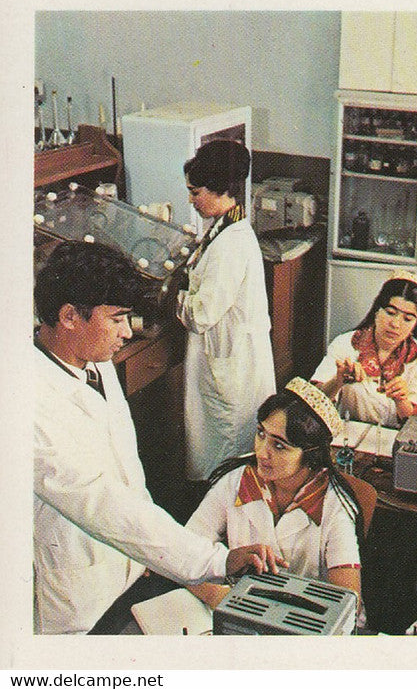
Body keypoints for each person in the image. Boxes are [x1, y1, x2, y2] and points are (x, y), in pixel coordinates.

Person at [33, 242, 282, 634]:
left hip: (130, 572)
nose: (127, 332)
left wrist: (168, 563)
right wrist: (212, 561)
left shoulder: (94, 361)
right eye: (116, 319)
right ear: (69, 317)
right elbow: (99, 500)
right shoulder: (27, 404)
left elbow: (127, 474)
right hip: (79, 596)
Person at [186, 379, 364, 619]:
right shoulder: (235, 481)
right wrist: (220, 597)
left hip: (305, 624)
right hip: (236, 611)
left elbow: (348, 604)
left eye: (279, 446)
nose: (261, 452)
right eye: (261, 434)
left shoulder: (335, 506)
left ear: (310, 456)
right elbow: (184, 553)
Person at [177, 140, 276, 485]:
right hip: (231, 357)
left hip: (230, 364)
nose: (191, 199)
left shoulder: (231, 242)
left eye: (195, 191)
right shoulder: (224, 226)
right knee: (223, 445)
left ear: (219, 189)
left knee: (225, 450)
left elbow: (201, 314)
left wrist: (174, 298)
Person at [316, 271, 417, 427]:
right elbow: (314, 400)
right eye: (390, 313)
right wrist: (338, 380)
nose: (395, 324)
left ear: (415, 324)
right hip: (347, 437)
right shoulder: (345, 344)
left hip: (393, 442)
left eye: (407, 319)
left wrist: (402, 401)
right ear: (377, 311)